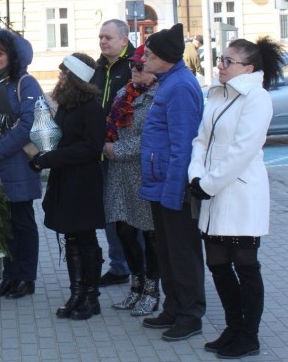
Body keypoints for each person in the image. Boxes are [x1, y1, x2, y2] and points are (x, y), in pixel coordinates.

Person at [188, 38, 285, 359]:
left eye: (228, 61)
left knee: (245, 265)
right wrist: (196, 176)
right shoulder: (217, 94)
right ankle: (232, 326)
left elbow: (243, 149)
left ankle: (249, 334)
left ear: (249, 68)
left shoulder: (257, 98)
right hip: (212, 191)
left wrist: (208, 183)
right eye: (220, 59)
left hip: (241, 191)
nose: (221, 65)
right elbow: (201, 141)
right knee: (217, 262)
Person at [138, 23, 206, 341]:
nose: (144, 58)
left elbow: (184, 144)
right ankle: (173, 307)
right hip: (160, 182)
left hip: (173, 187)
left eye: (149, 53)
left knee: (183, 253)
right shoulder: (167, 82)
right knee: (166, 251)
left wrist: (175, 190)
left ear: (165, 57)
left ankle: (190, 315)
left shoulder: (179, 87)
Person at [29, 53, 105, 320]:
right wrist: (41, 154)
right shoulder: (66, 105)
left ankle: (90, 296)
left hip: (84, 182)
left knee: (85, 238)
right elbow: (59, 137)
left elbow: (91, 148)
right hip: (65, 179)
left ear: (76, 79)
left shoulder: (92, 108)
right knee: (70, 237)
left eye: (64, 74)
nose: (60, 78)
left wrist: (51, 159)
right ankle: (76, 293)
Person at [0, 29, 43, 299]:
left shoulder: (26, 83)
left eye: (1, 53)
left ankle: (27, 278)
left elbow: (29, 124)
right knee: (3, 223)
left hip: (18, 163)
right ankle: (9, 276)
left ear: (14, 56)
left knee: (23, 222)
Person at [103, 44, 161, 317]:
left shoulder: (157, 97)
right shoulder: (122, 94)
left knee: (150, 235)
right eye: (132, 66)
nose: (134, 70)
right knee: (124, 231)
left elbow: (154, 137)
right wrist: (105, 142)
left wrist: (117, 150)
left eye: (140, 66)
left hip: (142, 172)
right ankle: (135, 285)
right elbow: (109, 125)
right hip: (118, 174)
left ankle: (152, 290)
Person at [92, 18, 135, 287]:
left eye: (108, 37)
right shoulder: (98, 68)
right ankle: (119, 266)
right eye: (100, 37)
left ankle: (138, 268)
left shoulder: (133, 67)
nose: (103, 42)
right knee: (109, 213)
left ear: (124, 40)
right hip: (99, 152)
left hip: (124, 152)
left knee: (130, 215)